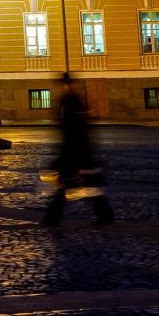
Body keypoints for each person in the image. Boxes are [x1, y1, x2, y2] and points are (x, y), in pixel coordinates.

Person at [43, 74, 113, 225]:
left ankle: (52, 218)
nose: (64, 87)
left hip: (74, 151)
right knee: (83, 184)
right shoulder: (71, 100)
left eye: (65, 84)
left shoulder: (71, 101)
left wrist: (67, 149)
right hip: (77, 150)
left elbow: (73, 127)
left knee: (68, 185)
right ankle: (105, 215)